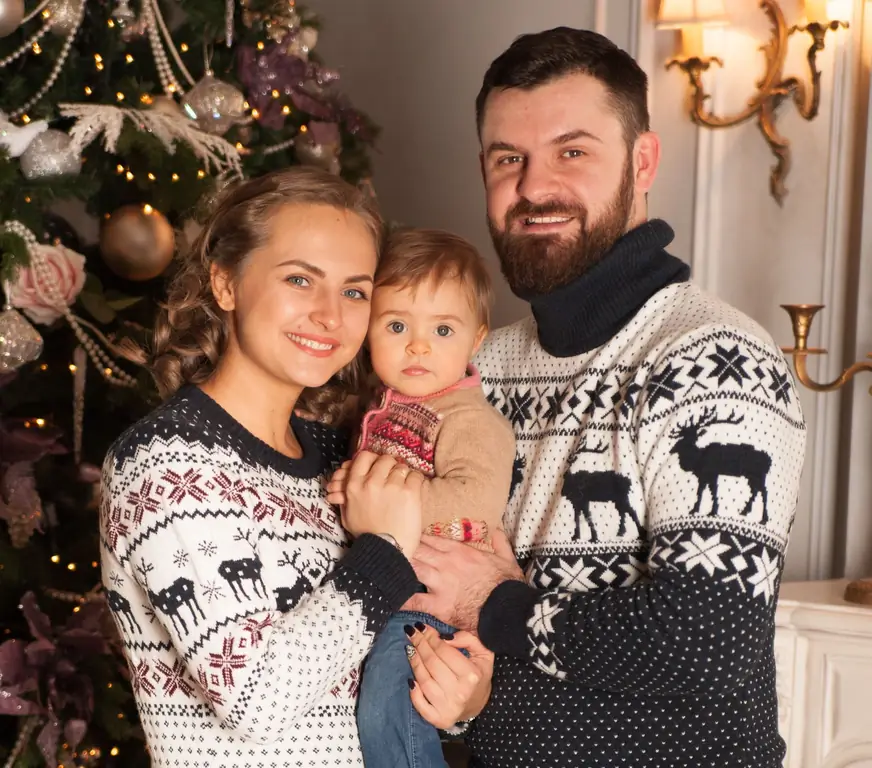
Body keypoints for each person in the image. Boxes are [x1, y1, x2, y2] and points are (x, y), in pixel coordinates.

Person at [408, 27, 807, 767]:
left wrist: (496, 608)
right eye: (508, 160)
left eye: (572, 151)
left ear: (643, 160)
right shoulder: (479, 367)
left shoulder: (711, 360)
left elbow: (708, 642)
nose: (532, 187)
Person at [99, 167, 487, 767]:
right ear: (225, 284)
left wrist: (459, 697)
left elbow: (372, 675)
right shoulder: (164, 463)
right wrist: (384, 548)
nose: (331, 315)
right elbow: (255, 701)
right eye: (300, 279)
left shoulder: (340, 457)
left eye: (356, 291)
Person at [326, 228, 515, 766]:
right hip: (392, 594)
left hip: (436, 606)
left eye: (442, 329)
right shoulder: (381, 408)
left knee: (391, 706)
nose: (417, 344)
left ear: (476, 339)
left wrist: (380, 508)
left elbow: (476, 498)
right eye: (397, 325)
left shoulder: (469, 418)